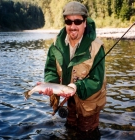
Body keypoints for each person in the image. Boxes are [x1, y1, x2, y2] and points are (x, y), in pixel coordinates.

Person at [39, 1, 106, 139]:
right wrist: (50, 84)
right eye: (69, 22)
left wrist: (77, 86)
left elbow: (97, 81)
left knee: (87, 134)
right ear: (65, 22)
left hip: (88, 104)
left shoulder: (97, 47)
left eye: (77, 21)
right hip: (68, 102)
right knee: (70, 131)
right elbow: (51, 70)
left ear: (85, 22)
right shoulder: (55, 46)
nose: (73, 26)